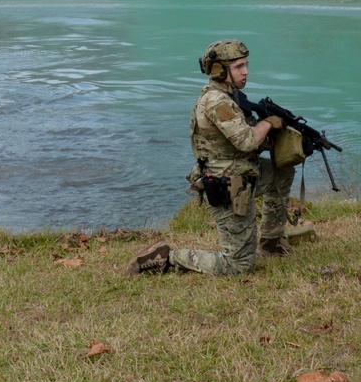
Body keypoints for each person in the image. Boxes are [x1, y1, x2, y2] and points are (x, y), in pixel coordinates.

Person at [125, 39, 295, 276]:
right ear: (219, 70)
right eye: (238, 67)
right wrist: (267, 123)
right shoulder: (216, 101)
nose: (245, 71)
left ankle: (271, 242)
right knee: (238, 266)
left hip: (244, 172)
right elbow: (246, 140)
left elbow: (250, 140)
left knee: (283, 171)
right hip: (227, 185)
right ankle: (164, 258)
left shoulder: (230, 96)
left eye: (246, 65)